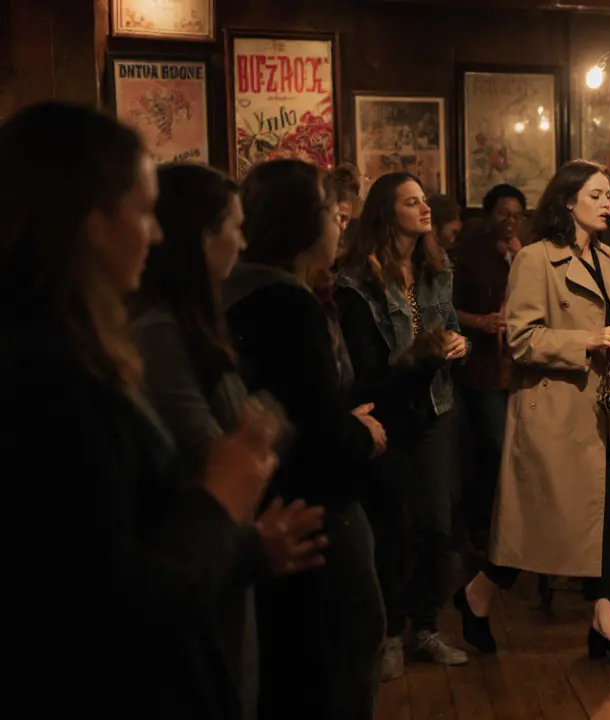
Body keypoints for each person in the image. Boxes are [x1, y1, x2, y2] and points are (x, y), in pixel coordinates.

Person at [0, 101, 285, 717]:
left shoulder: (68, 347)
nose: (155, 235)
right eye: (144, 211)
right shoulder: (48, 377)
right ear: (89, 220)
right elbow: (107, 605)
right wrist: (219, 500)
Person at [131, 162, 327, 719]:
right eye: (233, 227)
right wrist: (259, 436)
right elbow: (215, 454)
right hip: (202, 567)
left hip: (219, 563)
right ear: (201, 234)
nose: (242, 242)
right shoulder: (160, 331)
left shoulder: (194, 319)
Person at [452, 160, 610, 663]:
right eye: (596, 195)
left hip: (599, 408)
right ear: (567, 202)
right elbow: (521, 339)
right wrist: (588, 338)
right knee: (540, 527)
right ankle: (477, 593)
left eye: (609, 195)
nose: (607, 204)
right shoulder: (535, 258)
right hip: (553, 411)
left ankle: (603, 622)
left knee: (603, 513)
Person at [223, 159, 388, 720]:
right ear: (301, 223)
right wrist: (363, 435)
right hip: (314, 517)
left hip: (273, 508)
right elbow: (316, 431)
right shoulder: (286, 302)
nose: (341, 224)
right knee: (336, 663)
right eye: (330, 212)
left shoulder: (242, 290)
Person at [336, 172, 471, 680]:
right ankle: (388, 633)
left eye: (423, 200)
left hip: (435, 407)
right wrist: (418, 357)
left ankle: (425, 627)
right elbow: (368, 367)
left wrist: (459, 345)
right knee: (395, 527)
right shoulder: (359, 279)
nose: (424, 208)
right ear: (387, 213)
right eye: (411, 202)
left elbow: (453, 326)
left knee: (438, 524)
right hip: (387, 414)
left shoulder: (437, 268)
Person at [453, 183, 526, 545]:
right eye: (503, 214)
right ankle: (484, 524)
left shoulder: (525, 255)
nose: (511, 222)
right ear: (488, 215)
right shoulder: (470, 255)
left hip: (519, 366)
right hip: (484, 366)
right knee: (494, 445)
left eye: (517, 215)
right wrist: (480, 322)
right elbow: (446, 310)